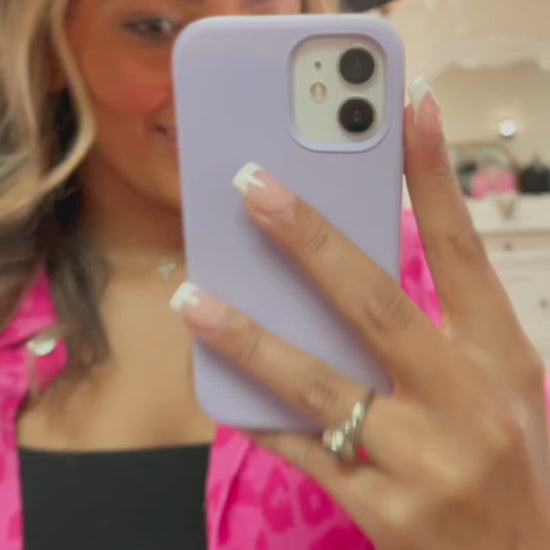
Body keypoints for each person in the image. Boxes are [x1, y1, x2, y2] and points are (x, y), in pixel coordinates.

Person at [0, 1, 547, 550]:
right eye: (153, 27)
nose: (224, 88)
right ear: (52, 53)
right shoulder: (9, 299)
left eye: (257, 19)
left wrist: (521, 535)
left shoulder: (418, 284)